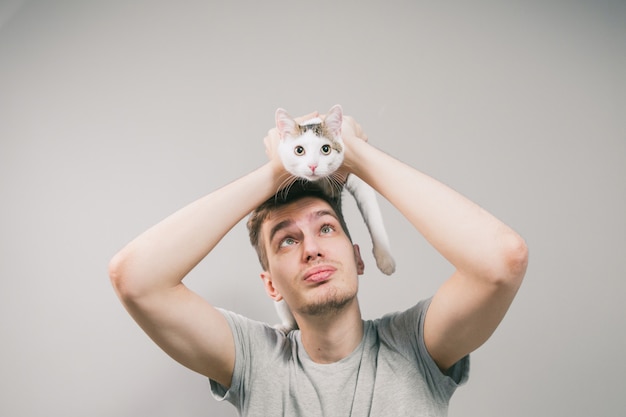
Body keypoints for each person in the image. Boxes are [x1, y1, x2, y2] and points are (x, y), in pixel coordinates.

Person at [109, 111, 528, 416]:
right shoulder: (256, 361)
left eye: (326, 228)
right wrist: (276, 171)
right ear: (270, 284)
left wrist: (357, 155)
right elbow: (135, 278)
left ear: (358, 256)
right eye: (287, 240)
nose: (311, 248)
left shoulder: (416, 345)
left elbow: (502, 260)